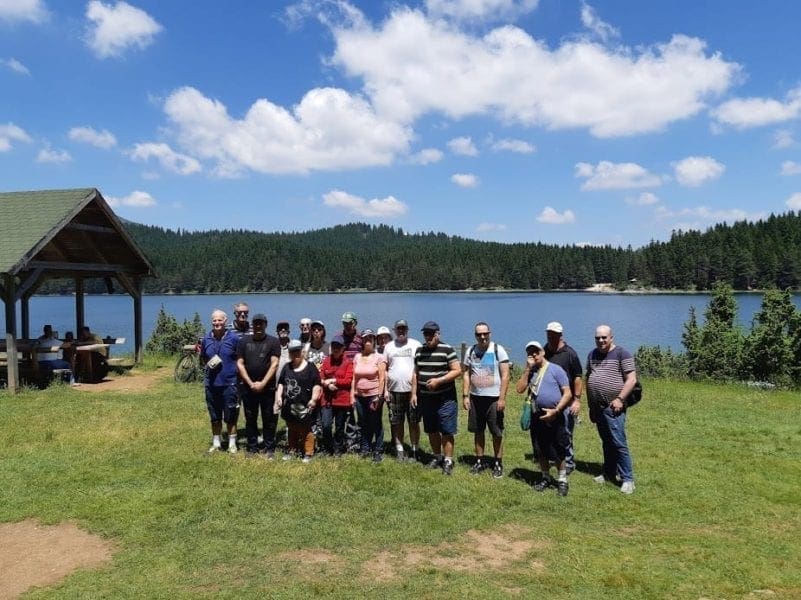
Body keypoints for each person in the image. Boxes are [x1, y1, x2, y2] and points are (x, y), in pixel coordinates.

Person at [515, 340, 573, 496]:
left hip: (555, 415)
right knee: (540, 449)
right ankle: (545, 477)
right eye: (530, 353)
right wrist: (527, 369)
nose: (533, 355)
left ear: (543, 352)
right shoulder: (531, 371)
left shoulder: (556, 370)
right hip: (537, 416)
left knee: (559, 449)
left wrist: (556, 410)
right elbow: (519, 389)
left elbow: (567, 393)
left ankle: (562, 481)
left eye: (536, 351)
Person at [585, 324, 637, 494]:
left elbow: (631, 379)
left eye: (604, 337)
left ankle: (628, 479)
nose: (600, 340)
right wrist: (591, 406)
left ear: (611, 337)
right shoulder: (592, 354)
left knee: (618, 442)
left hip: (613, 406)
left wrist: (620, 399)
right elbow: (589, 377)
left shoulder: (622, 353)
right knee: (607, 441)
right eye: (597, 338)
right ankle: (609, 473)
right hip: (598, 406)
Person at [411, 321, 461, 475]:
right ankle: (437, 456)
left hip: (445, 398)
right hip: (426, 398)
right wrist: (414, 393)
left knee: (446, 430)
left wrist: (439, 381)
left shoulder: (447, 350)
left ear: (438, 334)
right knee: (431, 429)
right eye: (426, 334)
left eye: (431, 334)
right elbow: (415, 373)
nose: (428, 337)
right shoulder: (419, 351)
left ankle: (448, 460)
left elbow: (457, 370)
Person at [462, 321, 510, 478]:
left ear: (490, 333)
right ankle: (479, 461)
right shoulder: (471, 351)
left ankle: (498, 463)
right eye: (479, 334)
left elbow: (506, 376)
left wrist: (502, 398)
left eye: (485, 333)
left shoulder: (498, 350)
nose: (482, 337)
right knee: (478, 431)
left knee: (496, 433)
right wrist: (465, 395)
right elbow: (466, 374)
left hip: (494, 399)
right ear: (475, 335)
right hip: (476, 399)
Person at [236, 313, 281, 457]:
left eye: (261, 323)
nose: (258, 326)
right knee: (250, 418)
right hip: (248, 388)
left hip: (268, 387)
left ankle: (269, 448)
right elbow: (240, 364)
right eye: (256, 323)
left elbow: (274, 364)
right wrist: (250, 383)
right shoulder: (243, 341)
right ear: (252, 325)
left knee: (269, 418)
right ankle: (252, 447)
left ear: (266, 325)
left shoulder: (273, 342)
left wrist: (262, 383)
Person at [543, 321, 583, 473]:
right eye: (549, 334)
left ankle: (569, 463)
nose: (551, 337)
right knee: (549, 432)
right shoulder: (544, 351)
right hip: (548, 401)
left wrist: (577, 400)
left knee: (565, 433)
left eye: (554, 334)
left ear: (560, 335)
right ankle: (553, 458)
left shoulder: (570, 354)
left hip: (566, 402)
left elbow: (578, 377)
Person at [200, 309, 240, 454]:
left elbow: (240, 359)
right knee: (214, 416)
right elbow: (203, 357)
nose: (217, 323)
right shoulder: (206, 339)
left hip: (229, 383)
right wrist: (209, 364)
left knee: (231, 416)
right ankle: (216, 443)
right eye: (214, 320)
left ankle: (232, 444)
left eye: (219, 320)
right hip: (211, 384)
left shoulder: (234, 338)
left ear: (225, 321)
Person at [275, 339, 322, 462]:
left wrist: (314, 399)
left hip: (305, 405)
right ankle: (292, 450)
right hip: (289, 406)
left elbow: (317, 384)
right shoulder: (286, 367)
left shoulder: (311, 367)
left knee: (306, 430)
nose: (295, 354)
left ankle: (308, 453)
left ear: (302, 351)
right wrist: (279, 397)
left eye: (297, 351)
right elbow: (281, 383)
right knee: (292, 429)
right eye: (292, 352)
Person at [384, 319, 422, 461]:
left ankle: (415, 450)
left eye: (403, 328)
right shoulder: (389, 346)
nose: (401, 331)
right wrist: (386, 390)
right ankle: (400, 449)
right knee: (397, 422)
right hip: (394, 391)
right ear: (394, 330)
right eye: (398, 328)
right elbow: (385, 369)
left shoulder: (416, 344)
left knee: (413, 422)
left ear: (407, 329)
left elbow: (420, 367)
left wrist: (416, 390)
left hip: (413, 392)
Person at [351, 329, 387, 463]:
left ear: (374, 341)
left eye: (370, 338)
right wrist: (352, 395)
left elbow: (382, 378)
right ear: (362, 341)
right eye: (365, 338)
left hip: (374, 395)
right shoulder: (357, 357)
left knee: (376, 422)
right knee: (363, 422)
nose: (368, 341)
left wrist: (379, 396)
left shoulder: (379, 357)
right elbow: (354, 377)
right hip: (359, 396)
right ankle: (365, 448)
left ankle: (378, 450)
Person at [318, 335, 354, 456]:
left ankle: (338, 448)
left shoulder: (348, 362)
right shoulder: (327, 361)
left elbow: (348, 381)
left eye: (338, 347)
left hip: (342, 400)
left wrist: (334, 381)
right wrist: (327, 385)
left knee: (339, 426)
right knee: (326, 425)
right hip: (327, 400)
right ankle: (328, 448)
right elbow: (321, 377)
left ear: (343, 348)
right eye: (333, 346)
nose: (336, 349)